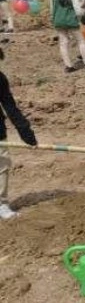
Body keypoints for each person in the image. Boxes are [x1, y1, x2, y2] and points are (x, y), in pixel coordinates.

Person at [0, 51, 38, 219]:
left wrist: (26, 133)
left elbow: (10, 107)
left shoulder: (0, 79)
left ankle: (1, 204)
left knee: (1, 166)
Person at [51, 0, 85, 73]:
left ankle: (68, 66)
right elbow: (78, 12)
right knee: (81, 41)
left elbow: (52, 11)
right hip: (71, 21)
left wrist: (54, 20)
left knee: (63, 43)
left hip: (59, 21)